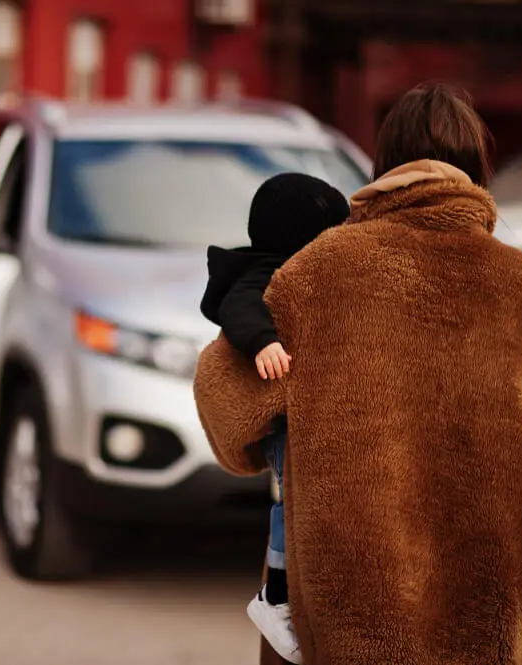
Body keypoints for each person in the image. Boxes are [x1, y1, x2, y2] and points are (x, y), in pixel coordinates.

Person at [193, 83, 522, 664]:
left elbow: (227, 410)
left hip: (351, 622)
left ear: (384, 165)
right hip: (490, 608)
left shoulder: (321, 269)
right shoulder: (517, 281)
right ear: (475, 170)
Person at [200, 173, 350, 663]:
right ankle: (279, 597)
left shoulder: (306, 271)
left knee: (302, 503)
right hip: (284, 426)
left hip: (305, 418)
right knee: (292, 501)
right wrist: (263, 341)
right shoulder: (265, 272)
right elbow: (238, 306)